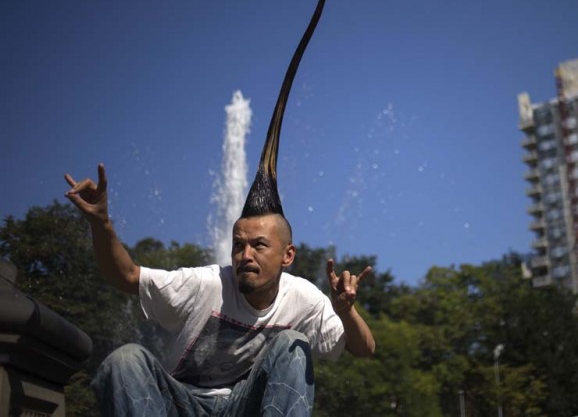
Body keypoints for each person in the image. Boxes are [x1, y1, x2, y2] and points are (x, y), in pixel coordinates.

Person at [65, 163, 375, 416]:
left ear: (288, 255)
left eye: (259, 245)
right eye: (238, 245)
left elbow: (365, 349)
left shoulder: (302, 297)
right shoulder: (207, 283)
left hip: (245, 407)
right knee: (125, 360)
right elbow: (128, 276)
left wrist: (346, 312)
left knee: (293, 344)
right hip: (182, 405)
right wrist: (101, 224)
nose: (246, 255)